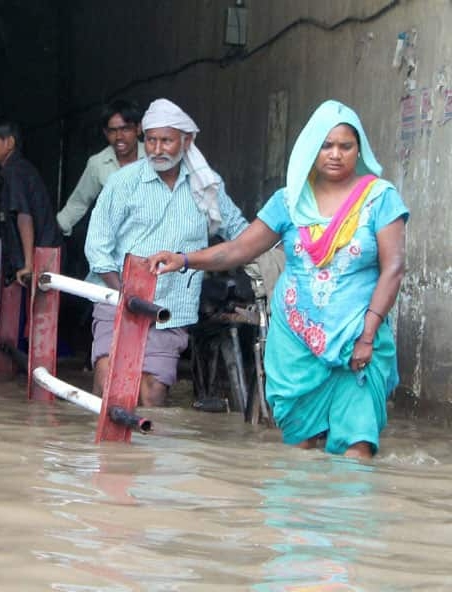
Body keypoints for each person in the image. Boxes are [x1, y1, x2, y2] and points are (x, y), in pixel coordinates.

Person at [147, 100, 408, 459]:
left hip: (356, 339)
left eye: (345, 146)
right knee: (299, 450)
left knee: (356, 446)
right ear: (310, 148)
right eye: (326, 146)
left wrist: (368, 334)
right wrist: (185, 259)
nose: (335, 154)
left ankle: (351, 515)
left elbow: (393, 268)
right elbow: (238, 250)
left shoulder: (380, 199)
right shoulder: (288, 202)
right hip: (297, 343)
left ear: (358, 149)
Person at [85, 98, 249, 406]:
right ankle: (100, 454)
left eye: (166, 141)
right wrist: (124, 295)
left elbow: (240, 232)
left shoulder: (206, 186)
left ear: (186, 141)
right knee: (109, 379)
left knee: (153, 392)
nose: (157, 149)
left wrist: (283, 246)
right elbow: (97, 247)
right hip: (116, 298)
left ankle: (147, 454)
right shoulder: (124, 182)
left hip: (171, 306)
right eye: (151, 140)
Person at [0, 114, 63, 286]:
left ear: (9, 143)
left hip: (42, 259)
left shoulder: (15, 172)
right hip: (39, 256)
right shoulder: (15, 170)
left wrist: (28, 265)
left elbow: (24, 216)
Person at [57, 99, 145, 237]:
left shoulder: (153, 158)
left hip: (152, 242)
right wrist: (52, 229)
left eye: (125, 129)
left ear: (138, 129)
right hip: (114, 242)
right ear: (105, 133)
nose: (119, 137)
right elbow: (79, 202)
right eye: (112, 131)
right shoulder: (97, 163)